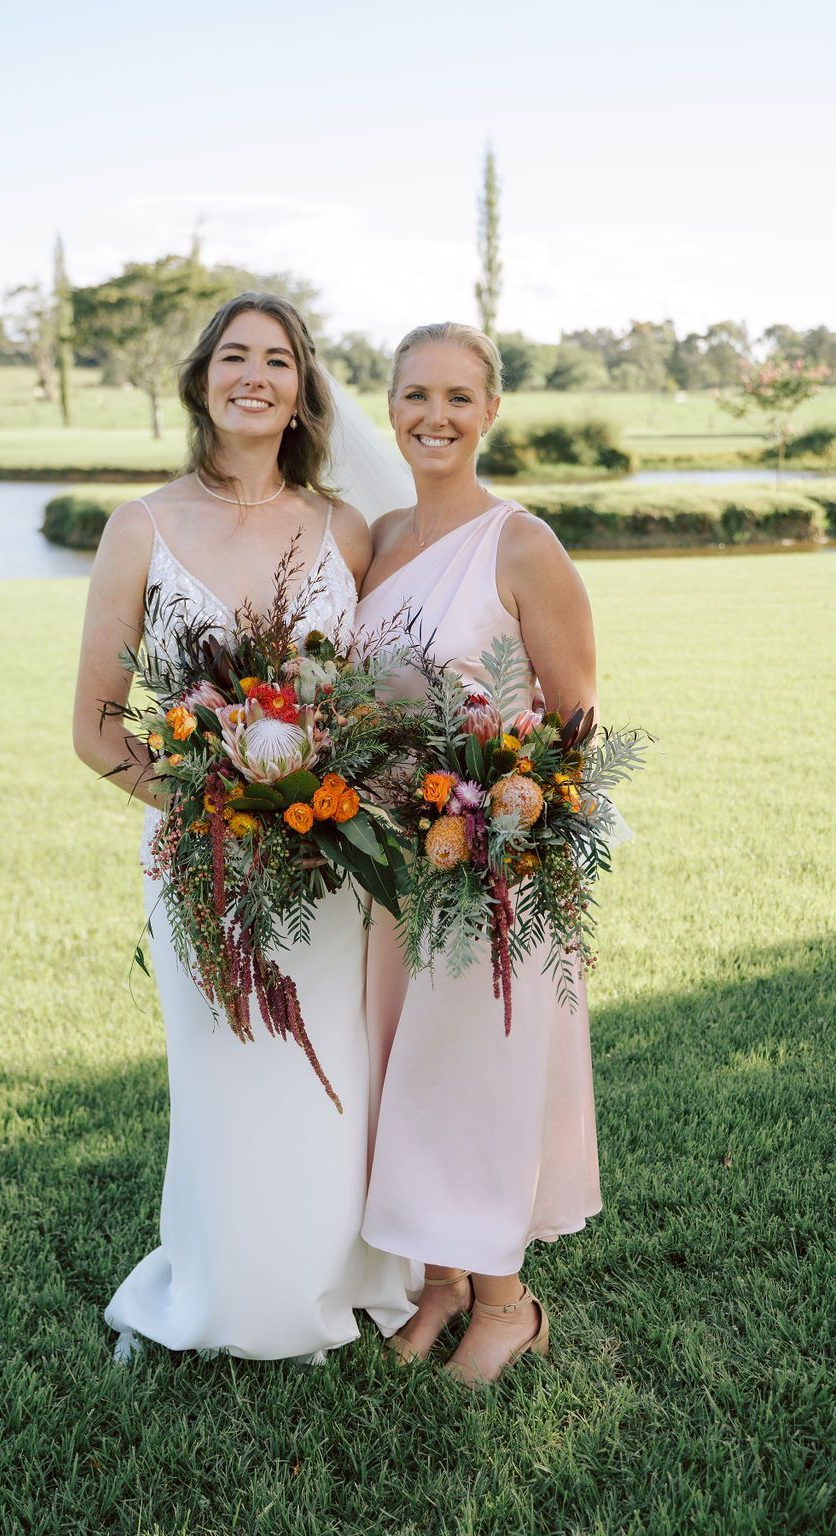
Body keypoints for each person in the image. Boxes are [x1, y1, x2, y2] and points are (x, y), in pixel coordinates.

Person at [72, 292, 414, 1362]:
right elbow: (95, 726)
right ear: (202, 380)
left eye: (276, 358)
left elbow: (382, 695)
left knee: (325, 1078)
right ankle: (212, 1295)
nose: (253, 375)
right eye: (234, 357)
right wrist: (214, 815)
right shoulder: (142, 527)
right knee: (223, 1078)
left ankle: (321, 1287)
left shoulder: (344, 530)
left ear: (304, 389)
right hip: (200, 862)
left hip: (326, 869)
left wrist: (335, 802)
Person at [358, 322, 602, 1387]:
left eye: (459, 397)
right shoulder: (377, 538)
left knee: (477, 1078)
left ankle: (509, 1303)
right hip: (387, 865)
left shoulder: (520, 542)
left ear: (491, 411)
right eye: (415, 395)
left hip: (490, 867)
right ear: (391, 404)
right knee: (408, 1074)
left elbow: (577, 720)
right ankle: (441, 1283)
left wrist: (506, 822)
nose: (434, 417)